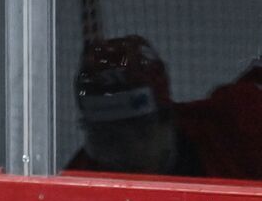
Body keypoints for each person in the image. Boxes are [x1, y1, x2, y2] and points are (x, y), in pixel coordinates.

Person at [66, 35, 262, 179]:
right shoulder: (77, 184)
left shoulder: (235, 131)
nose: (126, 153)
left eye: (140, 133)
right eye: (108, 140)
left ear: (168, 119)